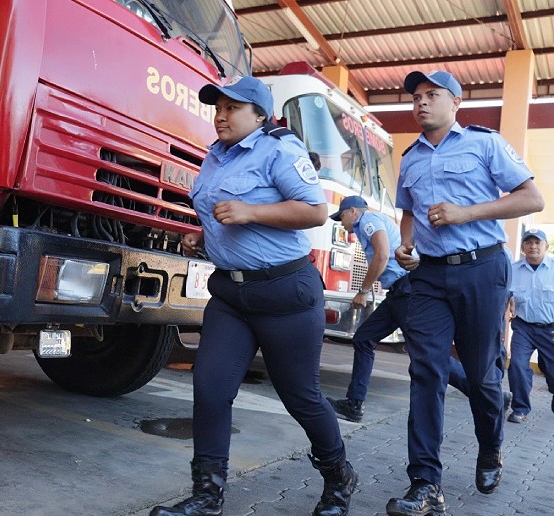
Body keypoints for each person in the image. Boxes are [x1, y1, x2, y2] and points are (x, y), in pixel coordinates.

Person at [149, 76, 357, 516]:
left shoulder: (280, 149)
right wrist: (200, 235)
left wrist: (252, 212)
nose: (221, 115)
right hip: (230, 295)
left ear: (260, 116)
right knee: (209, 387)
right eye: (217, 107)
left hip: (286, 293)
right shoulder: (215, 156)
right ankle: (207, 496)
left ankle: (339, 478)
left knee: (300, 395)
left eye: (233, 108)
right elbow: (220, 216)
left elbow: (315, 211)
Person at [388, 69, 544, 516]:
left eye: (431, 95)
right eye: (416, 96)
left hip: (482, 270)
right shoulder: (411, 157)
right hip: (430, 278)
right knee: (427, 372)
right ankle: (424, 483)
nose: (420, 103)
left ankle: (491, 446)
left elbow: (532, 199)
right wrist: (406, 245)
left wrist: (466, 213)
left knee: (481, 375)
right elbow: (408, 214)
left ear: (456, 103)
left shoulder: (485, 143)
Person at [325, 196, 491, 423]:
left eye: (341, 217)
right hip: (398, 293)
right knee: (364, 338)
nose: (342, 223)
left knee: (426, 353)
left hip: (406, 290)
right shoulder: (370, 221)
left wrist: (363, 290)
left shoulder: (367, 219)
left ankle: (490, 397)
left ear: (353, 211)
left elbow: (382, 254)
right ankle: (354, 404)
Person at [506, 228, 554, 423]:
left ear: (546, 246)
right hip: (523, 327)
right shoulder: (513, 270)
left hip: (550, 328)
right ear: (523, 246)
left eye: (537, 243)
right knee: (517, 364)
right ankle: (520, 409)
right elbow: (504, 295)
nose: (533, 246)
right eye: (529, 242)